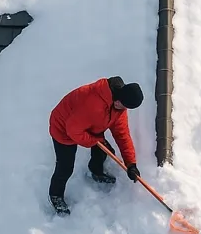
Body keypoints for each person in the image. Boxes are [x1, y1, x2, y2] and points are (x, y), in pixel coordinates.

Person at [47, 76, 144, 215]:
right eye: (122, 105)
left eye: (125, 107)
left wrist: (131, 164)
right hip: (63, 128)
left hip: (87, 125)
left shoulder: (119, 108)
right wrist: (94, 140)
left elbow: (122, 135)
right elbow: (73, 130)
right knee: (65, 167)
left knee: (104, 149)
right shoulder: (93, 103)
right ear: (118, 99)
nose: (123, 109)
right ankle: (55, 195)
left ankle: (95, 171)